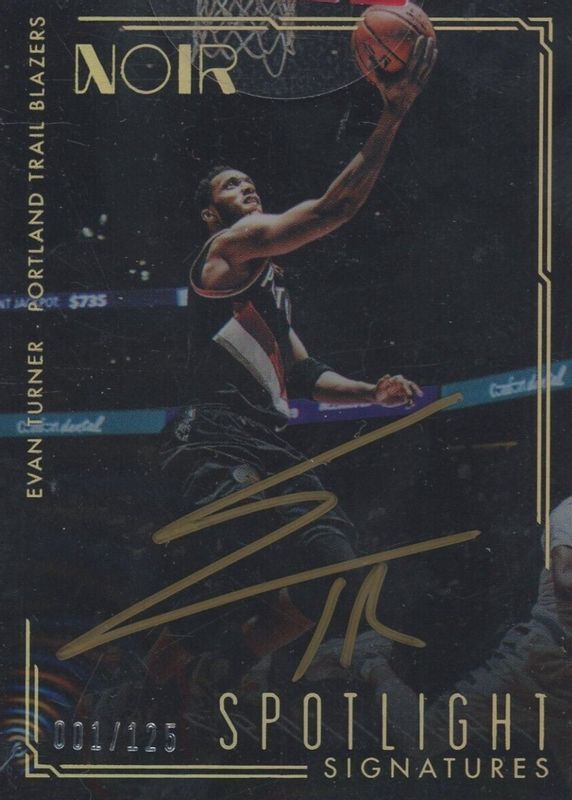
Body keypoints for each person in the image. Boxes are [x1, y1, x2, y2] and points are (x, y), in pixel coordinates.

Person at [156, 37, 438, 687]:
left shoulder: (268, 284)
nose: (247, 187)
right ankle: (157, 675)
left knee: (335, 570)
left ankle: (217, 669)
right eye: (231, 184)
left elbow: (306, 375)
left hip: (267, 444)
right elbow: (334, 209)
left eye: (250, 180)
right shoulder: (228, 247)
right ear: (211, 213)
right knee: (244, 558)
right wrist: (391, 114)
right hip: (213, 439)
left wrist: (372, 391)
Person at [309, 497, 572, 786]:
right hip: (546, 656)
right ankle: (371, 663)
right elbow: (566, 576)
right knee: (423, 739)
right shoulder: (569, 513)